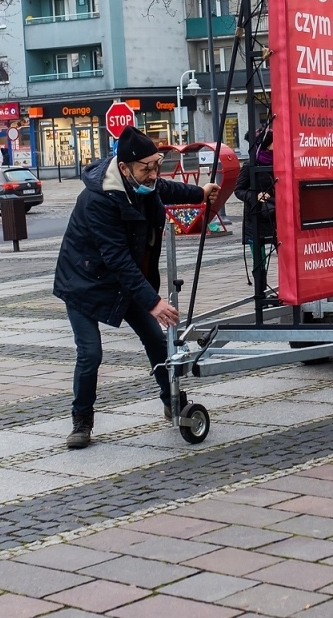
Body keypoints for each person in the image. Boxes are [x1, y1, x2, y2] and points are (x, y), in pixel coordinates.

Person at [53, 126, 216, 449]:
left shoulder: (143, 183)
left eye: (156, 165)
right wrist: (153, 302)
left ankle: (174, 402)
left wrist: (200, 193)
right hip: (83, 282)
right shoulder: (98, 200)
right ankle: (81, 421)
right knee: (90, 353)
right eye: (147, 168)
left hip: (123, 284)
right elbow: (116, 258)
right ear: (124, 168)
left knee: (157, 341)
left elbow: (164, 190)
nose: (154, 173)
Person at [233, 124, 276, 296]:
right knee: (259, 258)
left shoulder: (279, 161)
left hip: (277, 215)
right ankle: (261, 292)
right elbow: (238, 190)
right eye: (274, 142)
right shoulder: (250, 165)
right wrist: (256, 196)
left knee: (286, 254)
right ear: (265, 144)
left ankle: (287, 289)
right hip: (258, 217)